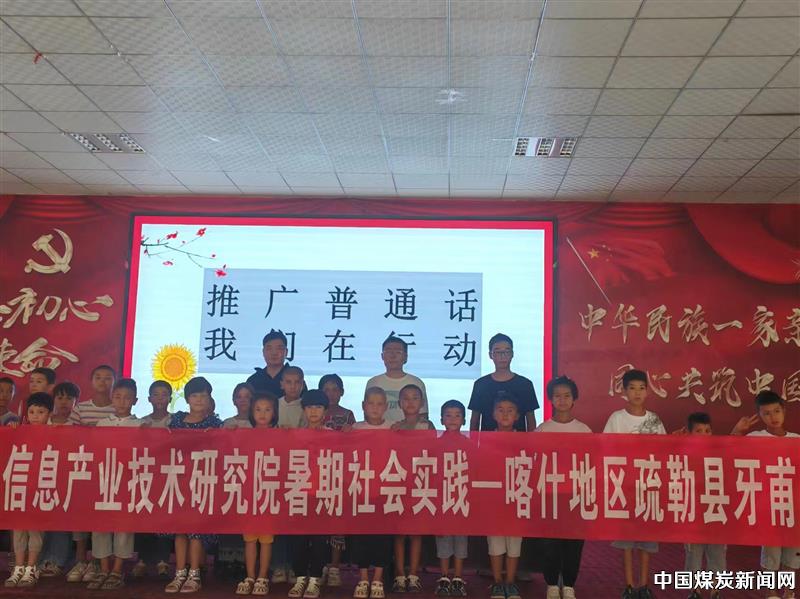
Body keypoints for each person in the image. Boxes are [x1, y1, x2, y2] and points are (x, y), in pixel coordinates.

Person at [603, 369, 666, 599]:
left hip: (649, 486)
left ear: (647, 391)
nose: (637, 393)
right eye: (632, 388)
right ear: (624, 391)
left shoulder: (654, 419)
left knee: (647, 541)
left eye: (641, 388)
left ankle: (644, 584)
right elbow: (606, 448)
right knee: (627, 541)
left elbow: (664, 450)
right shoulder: (617, 418)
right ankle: (629, 585)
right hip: (625, 486)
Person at [732, 390, 798, 599]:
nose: (773, 417)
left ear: (784, 410)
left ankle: (789, 592)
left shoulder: (796, 440)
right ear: (760, 415)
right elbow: (728, 451)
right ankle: (770, 592)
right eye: (766, 413)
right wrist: (737, 431)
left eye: (776, 411)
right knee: (771, 553)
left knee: (793, 553)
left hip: (793, 506)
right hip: (768, 506)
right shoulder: (756, 438)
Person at [164, 377, 223, 594]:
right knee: (180, 529)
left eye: (203, 395)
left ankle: (195, 573)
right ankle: (179, 572)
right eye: (195, 395)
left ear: (210, 399)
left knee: (197, 530)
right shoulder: (176, 421)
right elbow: (164, 445)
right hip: (179, 481)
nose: (199, 399)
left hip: (203, 482)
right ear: (187, 398)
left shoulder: (215, 424)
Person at [536, 376, 591, 599]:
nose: (562, 400)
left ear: (574, 399)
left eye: (567, 395)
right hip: (550, 495)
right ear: (550, 399)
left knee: (573, 542)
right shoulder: (542, 430)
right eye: (557, 396)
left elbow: (590, 463)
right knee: (549, 541)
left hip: (575, 494)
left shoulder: (584, 430)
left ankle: (568, 584)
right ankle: (551, 583)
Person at [66, 364, 117, 585]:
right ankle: (80, 559)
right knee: (81, 515)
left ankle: (97, 561)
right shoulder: (81, 408)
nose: (103, 381)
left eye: (108, 378)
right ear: (91, 381)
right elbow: (71, 436)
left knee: (102, 518)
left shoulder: (118, 408)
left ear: (114, 382)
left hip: (109, 471)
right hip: (85, 469)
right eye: (98, 377)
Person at [88, 378, 142, 589]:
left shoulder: (140, 425)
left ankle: (118, 570)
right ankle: (103, 568)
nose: (122, 401)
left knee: (123, 526)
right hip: (104, 480)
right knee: (100, 524)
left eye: (127, 398)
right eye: (118, 397)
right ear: (112, 398)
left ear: (135, 401)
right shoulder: (102, 424)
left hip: (127, 482)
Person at [673, 412, 725, 599]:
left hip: (716, 511)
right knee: (693, 554)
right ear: (689, 433)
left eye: (707, 431)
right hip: (693, 513)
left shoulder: (719, 452)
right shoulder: (683, 453)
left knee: (717, 553)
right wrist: (674, 443)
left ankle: (715, 590)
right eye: (699, 431)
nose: (704, 435)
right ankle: (694, 591)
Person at [4, 392, 53, 589]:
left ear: (49, 414)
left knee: (35, 530)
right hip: (20, 487)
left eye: (41, 412)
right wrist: (11, 430)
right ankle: (18, 567)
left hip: (40, 487)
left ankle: (31, 567)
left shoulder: (55, 433)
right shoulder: (19, 430)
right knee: (18, 529)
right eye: (32, 412)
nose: (35, 416)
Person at [288, 390, 332, 599]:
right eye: (309, 407)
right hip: (299, 493)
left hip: (322, 494)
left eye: (318, 407)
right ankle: (299, 578)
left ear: (325, 411)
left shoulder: (332, 435)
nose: (314, 411)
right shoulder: (295, 434)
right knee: (298, 539)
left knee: (320, 538)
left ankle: (314, 579)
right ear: (303, 410)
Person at [391, 383, 434, 594]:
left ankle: (414, 574)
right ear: (399, 403)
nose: (410, 402)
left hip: (420, 483)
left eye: (415, 398)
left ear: (422, 402)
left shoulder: (428, 426)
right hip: (400, 483)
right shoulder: (395, 427)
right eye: (406, 398)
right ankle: (400, 574)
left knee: (416, 532)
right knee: (399, 532)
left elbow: (434, 452)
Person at [236, 391, 279, 596]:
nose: (262, 414)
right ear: (252, 412)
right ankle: (250, 576)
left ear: (274, 412)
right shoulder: (244, 435)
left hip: (269, 494)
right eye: (258, 409)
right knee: (250, 539)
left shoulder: (280, 435)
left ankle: (262, 576)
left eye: (267, 410)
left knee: (266, 539)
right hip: (250, 495)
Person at [351, 387, 392, 599]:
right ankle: (363, 577)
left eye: (379, 403)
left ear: (386, 407)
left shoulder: (393, 428)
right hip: (361, 491)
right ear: (363, 406)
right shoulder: (355, 429)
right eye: (371, 403)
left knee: (382, 536)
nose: (375, 408)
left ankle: (378, 578)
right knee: (361, 537)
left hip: (384, 491)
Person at [37, 382, 80, 578]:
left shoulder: (78, 427)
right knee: (42, 520)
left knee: (61, 520)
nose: (64, 402)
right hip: (42, 476)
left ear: (76, 402)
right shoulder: (42, 422)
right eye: (60, 398)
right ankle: (39, 559)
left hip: (66, 477)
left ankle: (57, 560)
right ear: (53, 400)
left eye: (69, 398)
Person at [317, 373, 353, 587]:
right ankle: (320, 565)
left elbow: (356, 444)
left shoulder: (348, 415)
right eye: (326, 389)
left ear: (342, 392)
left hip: (340, 474)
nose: (330, 393)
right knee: (319, 521)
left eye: (335, 389)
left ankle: (335, 567)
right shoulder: (313, 413)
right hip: (318, 473)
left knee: (337, 522)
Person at [487, 393, 524, 599]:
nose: (505, 414)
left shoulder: (525, 440)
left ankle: (510, 582)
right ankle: (497, 582)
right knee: (495, 542)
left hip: (518, 498)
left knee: (514, 542)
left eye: (510, 410)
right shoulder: (486, 439)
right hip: (494, 499)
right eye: (500, 410)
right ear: (493, 414)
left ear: (517, 416)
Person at [434, 399, 469, 598]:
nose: (453, 419)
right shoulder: (436, 444)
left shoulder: (468, 444)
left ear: (464, 420)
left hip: (462, 498)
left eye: (457, 415)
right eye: (448, 415)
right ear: (441, 420)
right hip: (442, 499)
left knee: (461, 539)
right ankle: (444, 576)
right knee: (444, 538)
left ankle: (458, 577)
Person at [469, 334, 538, 432]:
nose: (503, 356)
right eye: (498, 352)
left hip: (519, 441)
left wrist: (532, 441)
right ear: (490, 355)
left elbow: (531, 421)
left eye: (507, 351)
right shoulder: (481, 384)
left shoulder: (525, 384)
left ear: (512, 354)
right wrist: (473, 441)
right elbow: (474, 421)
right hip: (488, 441)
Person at [365, 335, 428, 424]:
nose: (393, 356)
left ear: (405, 357)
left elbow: (423, 415)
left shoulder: (416, 382)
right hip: (380, 432)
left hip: (409, 431)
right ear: (382, 356)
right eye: (388, 351)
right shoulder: (373, 382)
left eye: (398, 352)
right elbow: (367, 416)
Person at [247, 329, 306, 396]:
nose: (274, 353)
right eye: (269, 348)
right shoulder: (253, 380)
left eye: (279, 348)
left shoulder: (296, 379)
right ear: (263, 352)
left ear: (286, 352)